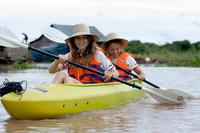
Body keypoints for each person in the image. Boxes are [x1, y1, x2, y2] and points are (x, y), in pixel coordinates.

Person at [49, 24, 119, 84]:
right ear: (74, 40)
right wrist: (57, 61)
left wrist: (111, 74)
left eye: (84, 38)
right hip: (77, 86)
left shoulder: (98, 54)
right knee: (60, 74)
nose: (81, 41)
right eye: (78, 38)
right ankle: (49, 95)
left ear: (89, 40)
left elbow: (116, 73)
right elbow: (51, 71)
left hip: (91, 88)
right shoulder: (70, 56)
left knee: (68, 79)